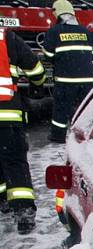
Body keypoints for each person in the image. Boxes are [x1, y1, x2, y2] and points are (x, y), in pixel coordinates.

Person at [0, 27, 46, 234]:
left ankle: (4, 201)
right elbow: (35, 68)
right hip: (8, 114)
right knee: (15, 161)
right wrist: (38, 86)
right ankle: (24, 213)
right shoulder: (6, 37)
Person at [42, 0, 93, 143]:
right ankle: (88, 136)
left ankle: (58, 136)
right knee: (86, 109)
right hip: (88, 80)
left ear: (57, 14)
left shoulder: (54, 31)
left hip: (65, 80)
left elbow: (48, 55)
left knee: (61, 110)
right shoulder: (85, 31)